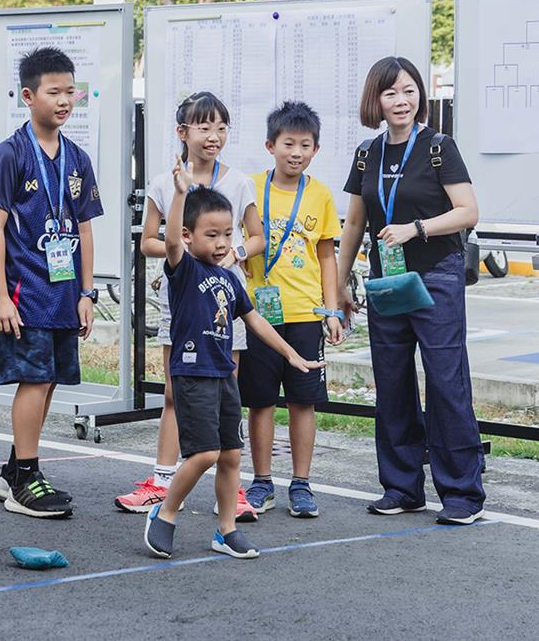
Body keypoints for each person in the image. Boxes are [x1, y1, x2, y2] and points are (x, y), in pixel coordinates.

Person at [142, 160, 323, 560]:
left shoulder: (229, 277)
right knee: (204, 453)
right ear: (190, 236)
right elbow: (169, 241)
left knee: (230, 455)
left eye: (228, 233)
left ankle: (225, 530)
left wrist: (292, 354)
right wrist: (180, 194)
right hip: (193, 373)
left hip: (225, 375)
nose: (223, 242)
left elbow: (254, 319)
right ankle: (165, 512)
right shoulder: (183, 268)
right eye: (213, 235)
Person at [337, 56, 486, 525]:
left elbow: (468, 211)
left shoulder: (440, 147)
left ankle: (462, 493)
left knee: (445, 381)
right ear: (375, 100)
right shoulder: (368, 153)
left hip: (436, 275)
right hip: (386, 281)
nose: (401, 101)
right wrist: (339, 282)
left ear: (420, 95)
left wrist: (415, 228)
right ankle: (402, 486)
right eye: (390, 93)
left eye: (408, 91)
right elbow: (357, 222)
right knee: (393, 383)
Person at [114, 91, 264, 521]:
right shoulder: (165, 182)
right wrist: (183, 254)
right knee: (174, 393)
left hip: (222, 303)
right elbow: (147, 242)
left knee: (225, 393)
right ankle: (160, 481)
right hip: (180, 301)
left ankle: (230, 491)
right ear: (183, 132)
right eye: (204, 126)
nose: (213, 136)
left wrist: (232, 253)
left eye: (221, 127)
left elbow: (257, 238)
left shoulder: (238, 182)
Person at [0, 47, 102, 518]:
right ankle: (26, 479)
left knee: (50, 380)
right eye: (54, 92)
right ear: (29, 96)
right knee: (33, 380)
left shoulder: (77, 157)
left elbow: (86, 225)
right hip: (23, 291)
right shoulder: (9, 155)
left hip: (64, 291)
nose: (65, 100)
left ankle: (14, 470)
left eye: (70, 91)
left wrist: (87, 293)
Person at [238, 101, 344, 518]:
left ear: (315, 150)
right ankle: (261, 481)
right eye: (288, 144)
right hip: (259, 315)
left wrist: (331, 310)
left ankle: (301, 483)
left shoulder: (319, 194)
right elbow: (236, 237)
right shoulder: (250, 187)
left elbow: (327, 256)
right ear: (270, 145)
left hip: (306, 313)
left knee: (304, 402)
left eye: (305, 145)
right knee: (260, 402)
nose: (296, 152)